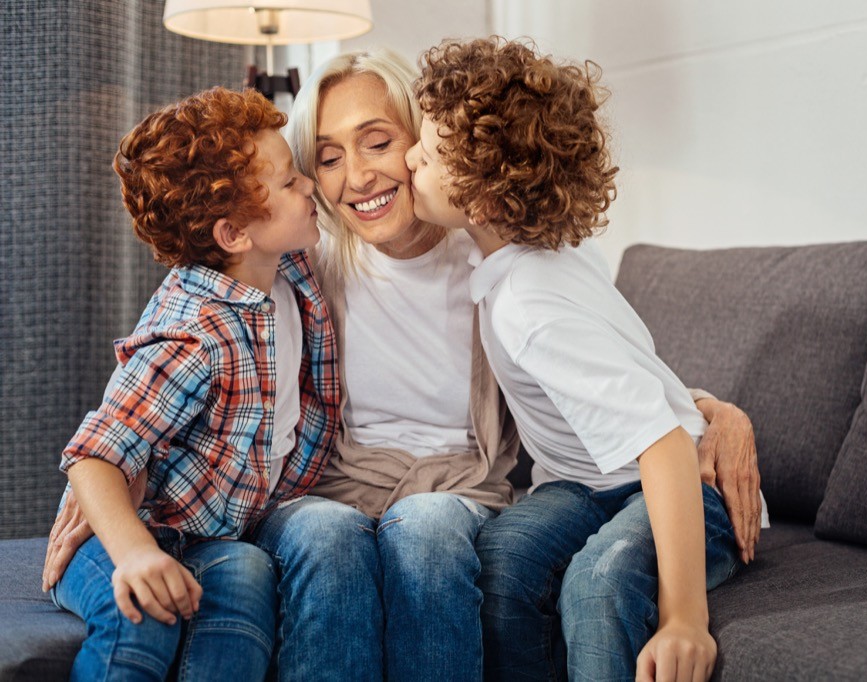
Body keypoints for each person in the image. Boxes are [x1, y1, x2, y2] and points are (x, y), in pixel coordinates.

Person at [44, 48, 762, 681]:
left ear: (425, 146)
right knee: (326, 536)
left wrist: (712, 412)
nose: (355, 177)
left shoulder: (498, 251)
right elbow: (183, 336)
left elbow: (611, 371)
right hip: (334, 490)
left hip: (457, 490)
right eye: (325, 159)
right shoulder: (305, 262)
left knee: (426, 531)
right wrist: (114, 490)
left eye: (380, 142)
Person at [405, 37, 769, 681]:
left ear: (483, 200)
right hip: (583, 486)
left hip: (684, 486)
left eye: (427, 155)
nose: (409, 157)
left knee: (598, 583)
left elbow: (662, 445)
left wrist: (685, 619)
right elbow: (630, 366)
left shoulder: (530, 306)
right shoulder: (537, 251)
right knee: (503, 564)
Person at [47, 86, 340, 681]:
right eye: (290, 181)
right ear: (234, 235)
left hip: (211, 537)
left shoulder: (287, 266)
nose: (310, 184)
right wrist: (134, 552)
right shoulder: (195, 334)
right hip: (122, 531)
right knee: (141, 617)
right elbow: (94, 456)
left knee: (247, 584)